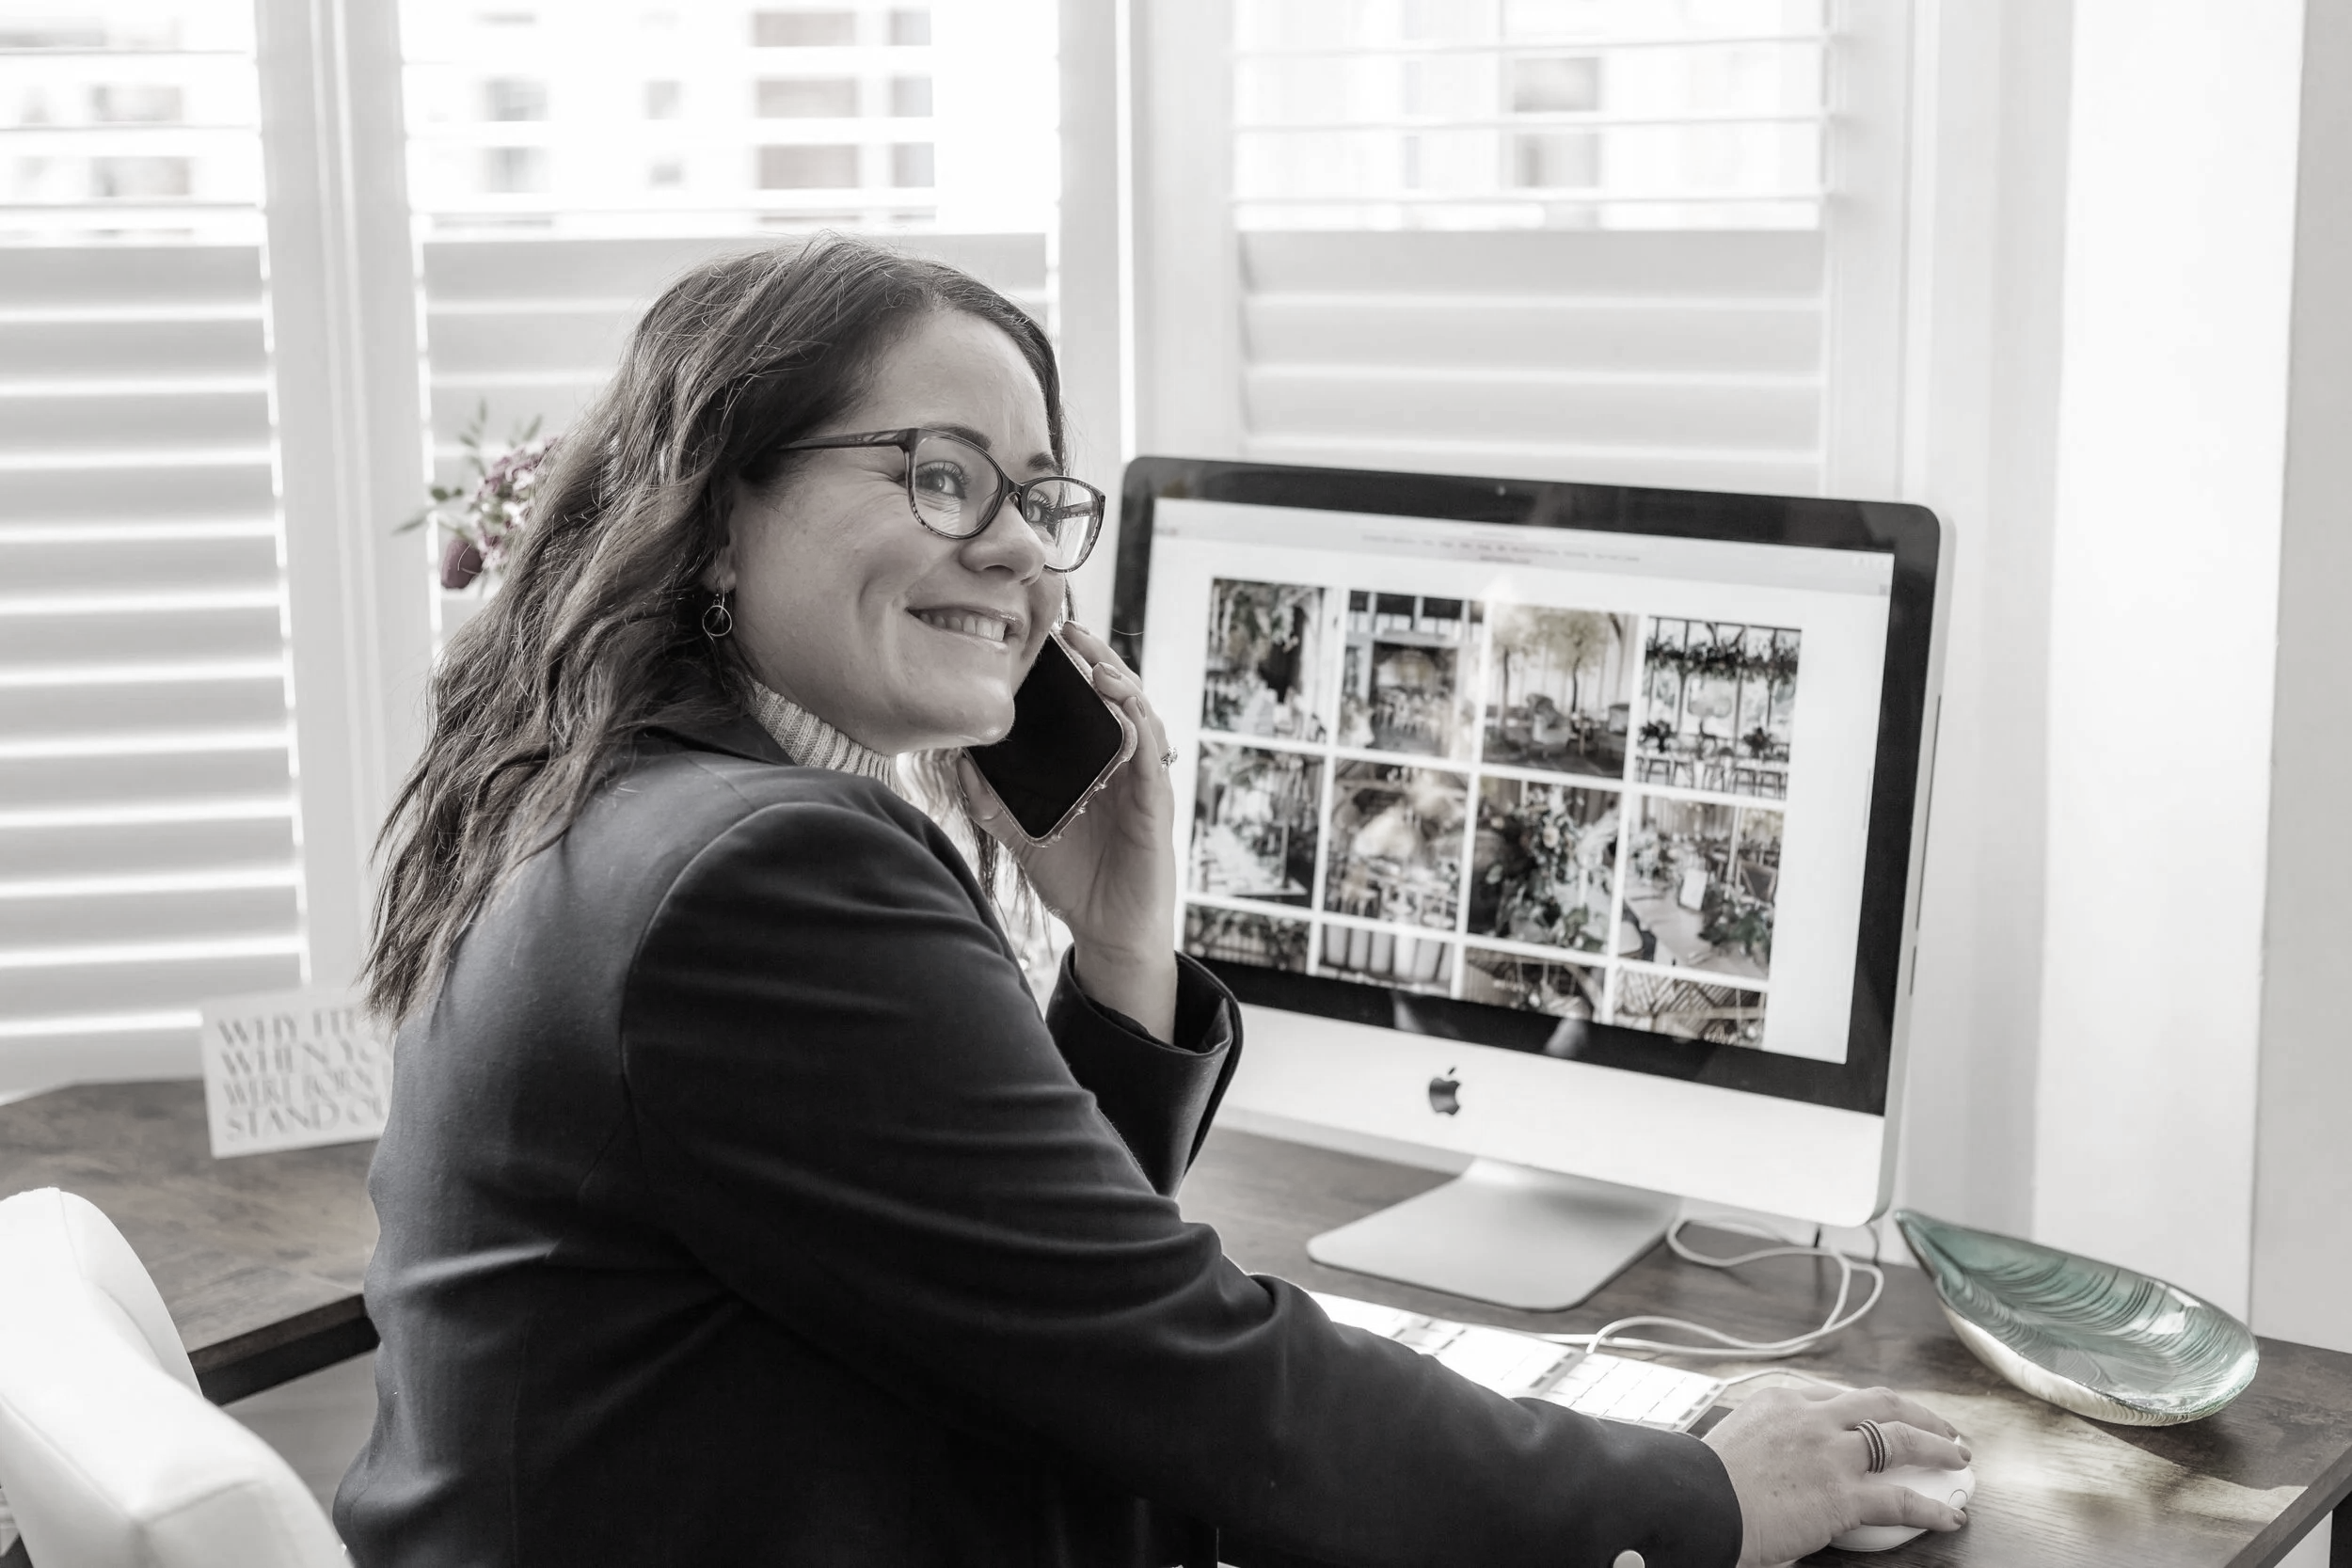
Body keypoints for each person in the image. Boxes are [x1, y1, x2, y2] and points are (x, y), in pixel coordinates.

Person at [339, 234, 1969, 1568]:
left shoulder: (623, 795)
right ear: (718, 506)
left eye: (1036, 499)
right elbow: (1187, 1371)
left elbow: (1015, 1294)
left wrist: (1119, 938)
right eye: (938, 475)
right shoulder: (761, 873)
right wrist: (1700, 1494)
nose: (1017, 558)